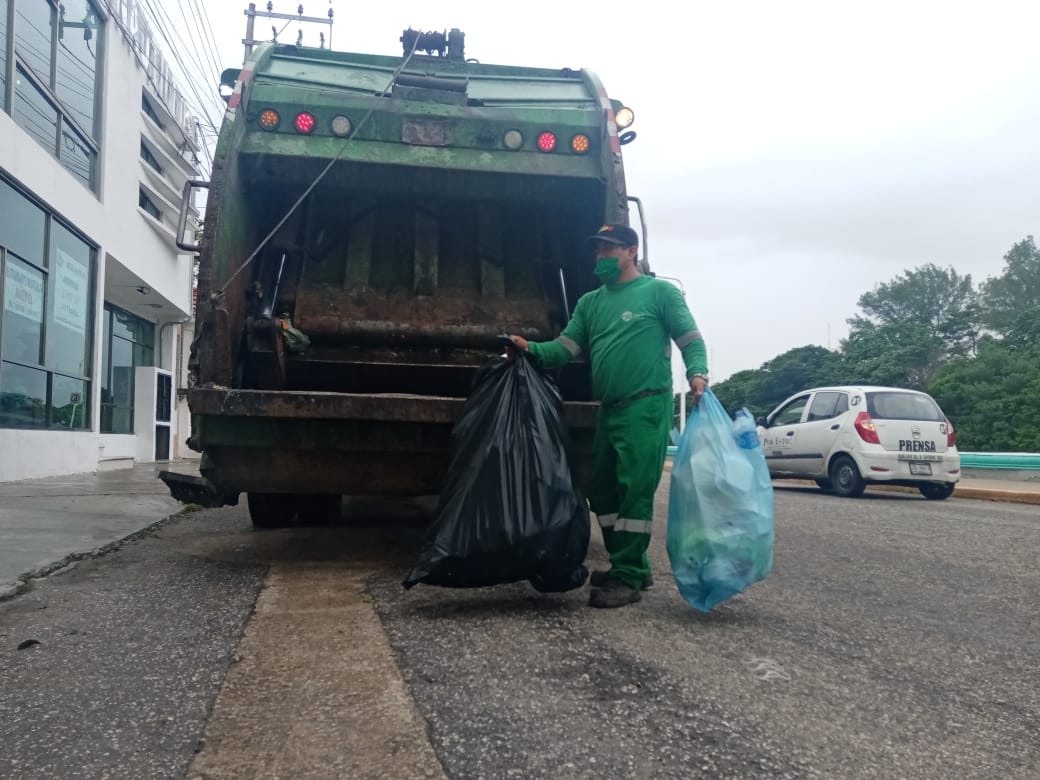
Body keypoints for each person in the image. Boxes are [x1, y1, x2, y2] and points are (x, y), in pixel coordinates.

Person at [509, 223, 708, 608]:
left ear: (631, 251)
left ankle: (628, 576)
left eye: (609, 250)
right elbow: (563, 350)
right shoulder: (590, 303)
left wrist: (697, 375)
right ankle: (630, 564)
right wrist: (528, 347)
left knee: (634, 490)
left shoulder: (659, 293)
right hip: (611, 409)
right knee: (601, 490)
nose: (601, 257)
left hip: (646, 406)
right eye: (597, 251)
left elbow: (690, 339)